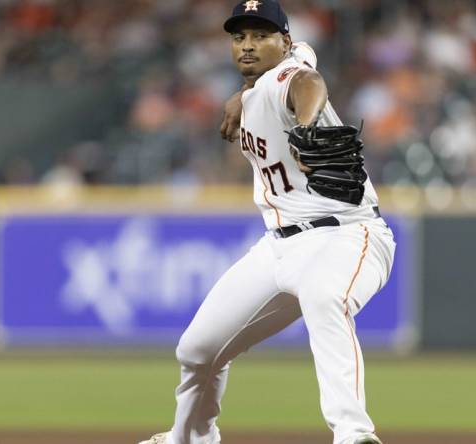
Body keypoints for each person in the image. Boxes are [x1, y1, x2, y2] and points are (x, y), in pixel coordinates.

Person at [140, 2, 395, 443]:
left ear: (285, 42)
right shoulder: (269, 78)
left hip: (348, 235)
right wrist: (242, 97)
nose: (248, 45)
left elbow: (306, 82)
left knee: (323, 296)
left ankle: (354, 433)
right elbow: (305, 59)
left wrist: (308, 123)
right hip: (278, 247)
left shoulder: (285, 80)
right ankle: (191, 439)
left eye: (261, 35)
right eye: (240, 37)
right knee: (197, 350)